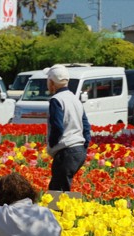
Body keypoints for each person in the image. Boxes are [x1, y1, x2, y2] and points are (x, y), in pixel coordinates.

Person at [46, 64, 90, 192]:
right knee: (61, 188)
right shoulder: (74, 99)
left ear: (52, 82)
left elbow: (57, 127)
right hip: (79, 150)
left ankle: (62, 212)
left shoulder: (56, 100)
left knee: (58, 192)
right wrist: (83, 145)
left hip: (66, 151)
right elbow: (86, 126)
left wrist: (52, 145)